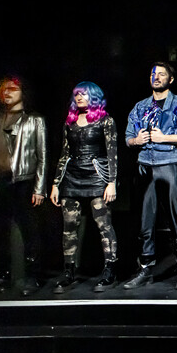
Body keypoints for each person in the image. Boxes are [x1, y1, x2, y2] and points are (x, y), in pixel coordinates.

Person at [123, 62, 177, 290]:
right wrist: (136, 140)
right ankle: (145, 268)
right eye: (153, 74)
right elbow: (128, 138)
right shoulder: (140, 106)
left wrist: (164, 138)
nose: (156, 77)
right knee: (145, 221)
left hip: (171, 163)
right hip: (145, 165)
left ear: (171, 79)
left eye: (162, 74)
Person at [0, 76, 48, 296]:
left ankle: (33, 276)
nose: (7, 92)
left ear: (22, 92)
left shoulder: (34, 120)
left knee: (29, 230)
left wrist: (39, 188)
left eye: (13, 88)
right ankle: (1, 276)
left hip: (23, 181)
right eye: (4, 89)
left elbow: (42, 155)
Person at [50, 82, 120, 293]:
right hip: (72, 176)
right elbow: (64, 154)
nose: (79, 97)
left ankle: (110, 269)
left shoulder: (105, 121)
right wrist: (55, 184)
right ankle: (69, 271)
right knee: (69, 225)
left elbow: (112, 152)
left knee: (103, 224)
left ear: (94, 96)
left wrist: (112, 182)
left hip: (97, 176)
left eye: (84, 94)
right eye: (76, 94)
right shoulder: (70, 122)